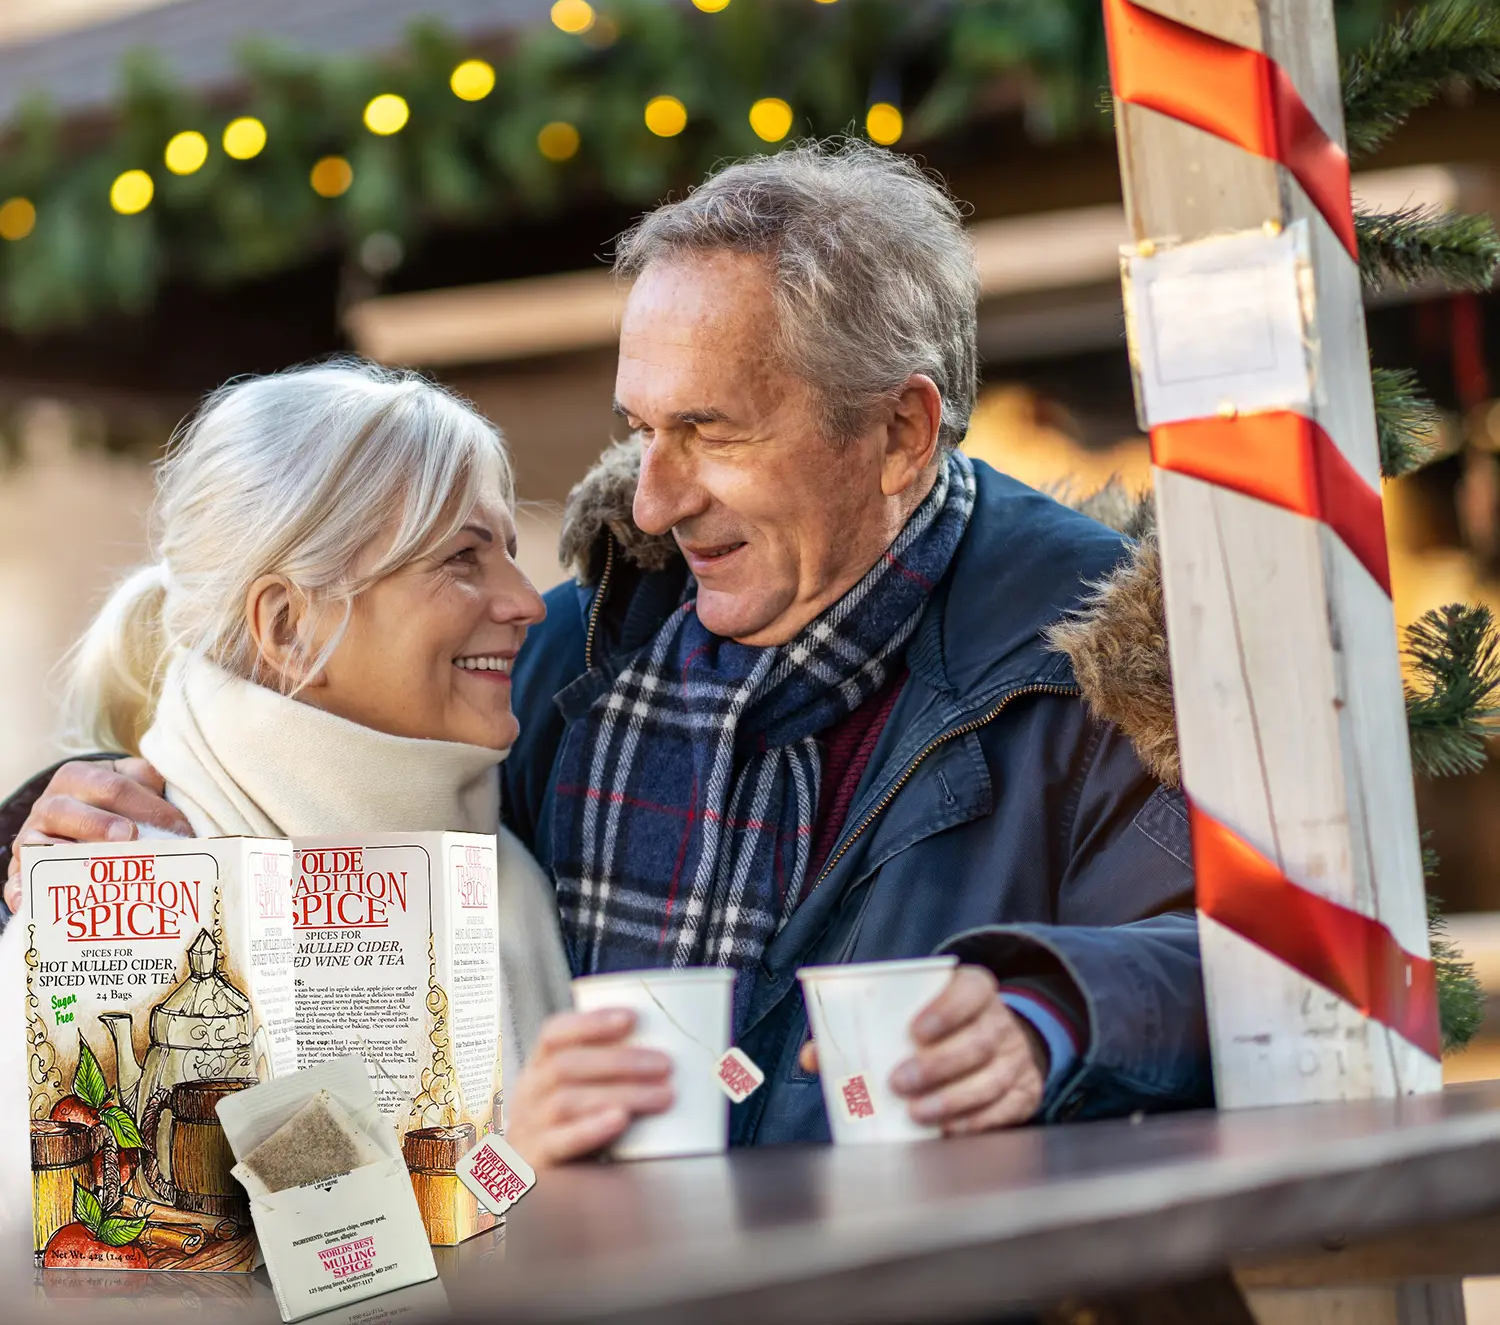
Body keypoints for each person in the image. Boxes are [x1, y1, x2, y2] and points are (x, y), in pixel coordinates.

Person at [5, 142, 1210, 1164]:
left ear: (900, 430)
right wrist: (38, 847)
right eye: (640, 429)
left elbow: (1277, 956)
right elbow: (244, 1227)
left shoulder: (1105, 658)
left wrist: (1053, 1014)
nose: (651, 502)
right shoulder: (574, 668)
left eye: (711, 430)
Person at [0, 362, 573, 1226]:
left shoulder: (509, 874)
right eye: (461, 558)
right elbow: (113, 1273)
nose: (528, 602)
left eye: (510, 553)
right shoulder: (127, 901)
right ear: (288, 629)